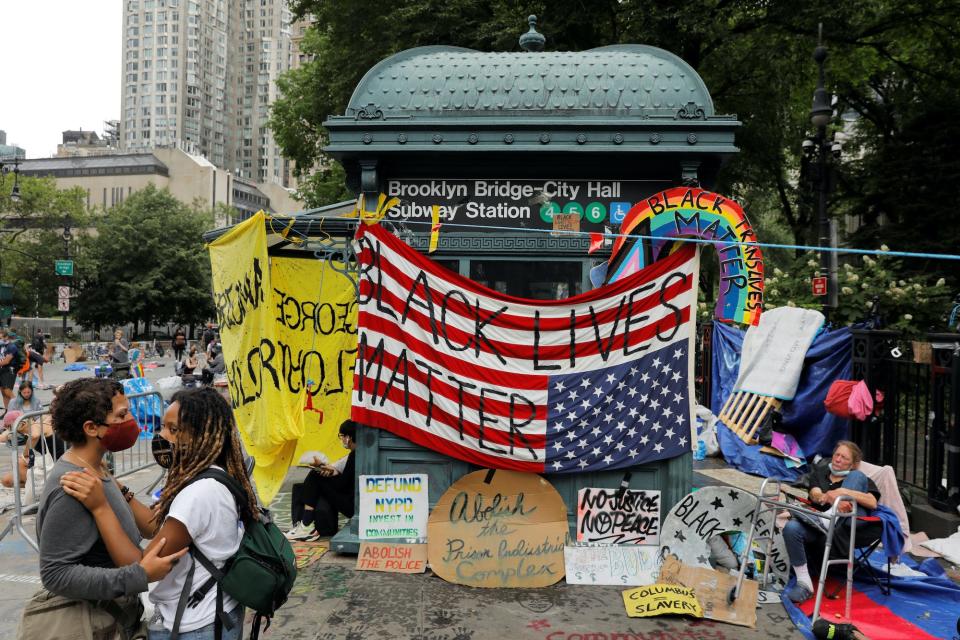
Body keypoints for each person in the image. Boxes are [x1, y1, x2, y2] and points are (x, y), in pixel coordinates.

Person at [16, 378, 184, 640]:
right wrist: (137, 577)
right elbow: (55, 574)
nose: (131, 420)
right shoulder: (71, 486)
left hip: (113, 619)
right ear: (92, 428)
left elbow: (148, 527)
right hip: (91, 624)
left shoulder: (98, 469)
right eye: (122, 414)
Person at [783, 440, 881, 603]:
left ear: (853, 464)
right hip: (816, 528)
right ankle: (804, 582)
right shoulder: (820, 473)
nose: (838, 459)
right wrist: (827, 498)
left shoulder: (858, 477)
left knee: (856, 478)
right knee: (791, 527)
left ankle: (828, 518)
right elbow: (815, 493)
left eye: (844, 458)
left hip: (842, 531)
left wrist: (842, 492)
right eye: (837, 454)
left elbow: (872, 502)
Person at [286, 420, 357, 541]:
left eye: (342, 436)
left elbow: (342, 485)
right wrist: (328, 471)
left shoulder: (354, 455)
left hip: (351, 505)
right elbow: (341, 470)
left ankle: (307, 524)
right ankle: (306, 524)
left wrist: (326, 476)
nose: (342, 440)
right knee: (317, 475)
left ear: (349, 437)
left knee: (315, 476)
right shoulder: (357, 454)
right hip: (352, 500)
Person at [0, 329, 21, 412]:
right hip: (2, 370)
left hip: (9, 370)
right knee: (3, 392)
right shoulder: (2, 346)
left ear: (6, 337)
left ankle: (19, 410)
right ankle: (7, 411)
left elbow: (6, 361)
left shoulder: (12, 347)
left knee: (7, 391)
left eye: (1, 338)